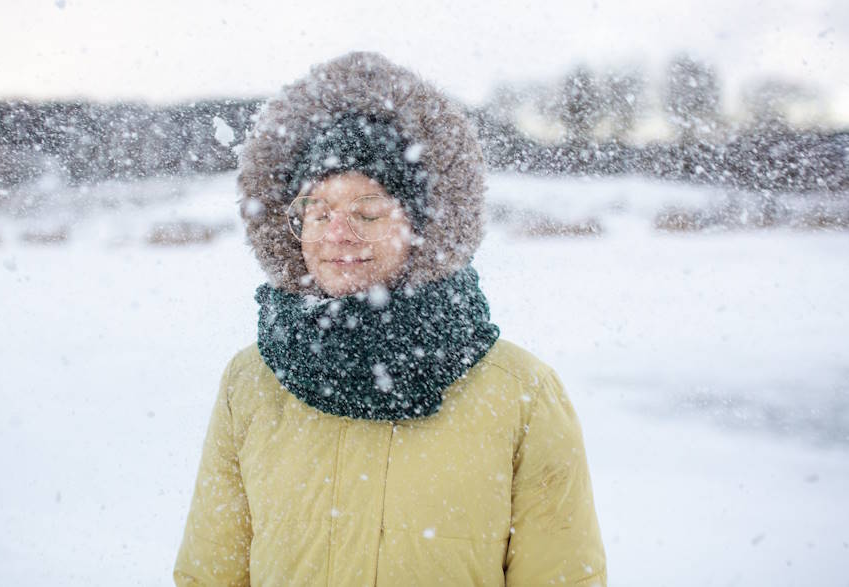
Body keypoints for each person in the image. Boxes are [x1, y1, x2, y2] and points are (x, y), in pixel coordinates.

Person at [174, 52, 607, 586]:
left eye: (368, 212)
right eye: (319, 210)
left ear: (423, 225)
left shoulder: (522, 396)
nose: (338, 234)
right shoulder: (251, 383)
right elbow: (209, 575)